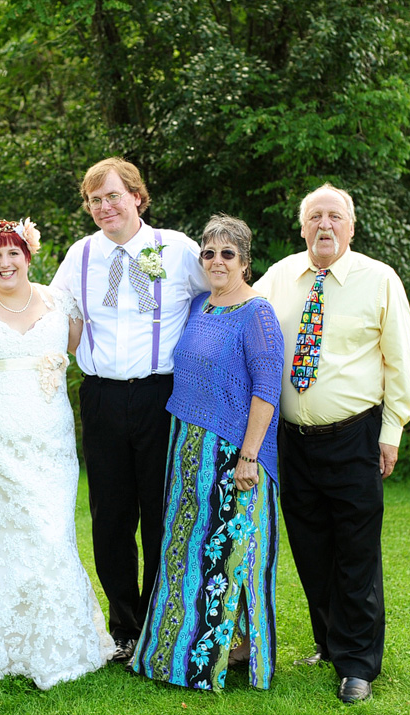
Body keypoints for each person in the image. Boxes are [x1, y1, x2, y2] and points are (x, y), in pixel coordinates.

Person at [0, 219, 114, 689]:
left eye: (14, 254)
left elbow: (66, 350)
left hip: (49, 443)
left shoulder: (61, 303)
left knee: (48, 532)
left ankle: (51, 638)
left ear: (29, 256)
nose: (5, 264)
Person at [254, 183, 410, 704]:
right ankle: (329, 641)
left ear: (351, 226)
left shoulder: (380, 280)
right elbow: (239, 315)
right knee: (312, 549)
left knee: (356, 552)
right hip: (291, 441)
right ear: (302, 227)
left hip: (355, 435)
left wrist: (391, 431)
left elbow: (399, 362)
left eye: (335, 216)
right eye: (315, 217)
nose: (325, 225)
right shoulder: (278, 277)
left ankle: (358, 663)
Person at [50, 157, 210, 662]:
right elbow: (56, 315)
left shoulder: (178, 248)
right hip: (100, 396)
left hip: (162, 395)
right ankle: (125, 626)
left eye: (113, 196)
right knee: (110, 516)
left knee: (161, 510)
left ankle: (162, 618)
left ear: (138, 197)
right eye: (95, 200)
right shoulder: (79, 256)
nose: (104, 207)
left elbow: (215, 296)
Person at [129, 214, 284, 691]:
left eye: (227, 254)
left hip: (233, 451)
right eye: (209, 253)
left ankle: (211, 660)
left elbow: (267, 387)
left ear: (245, 261)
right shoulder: (199, 303)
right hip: (187, 449)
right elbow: (143, 287)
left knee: (226, 557)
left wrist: (250, 456)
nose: (217, 261)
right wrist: (137, 251)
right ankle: (171, 651)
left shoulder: (257, 312)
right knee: (184, 551)